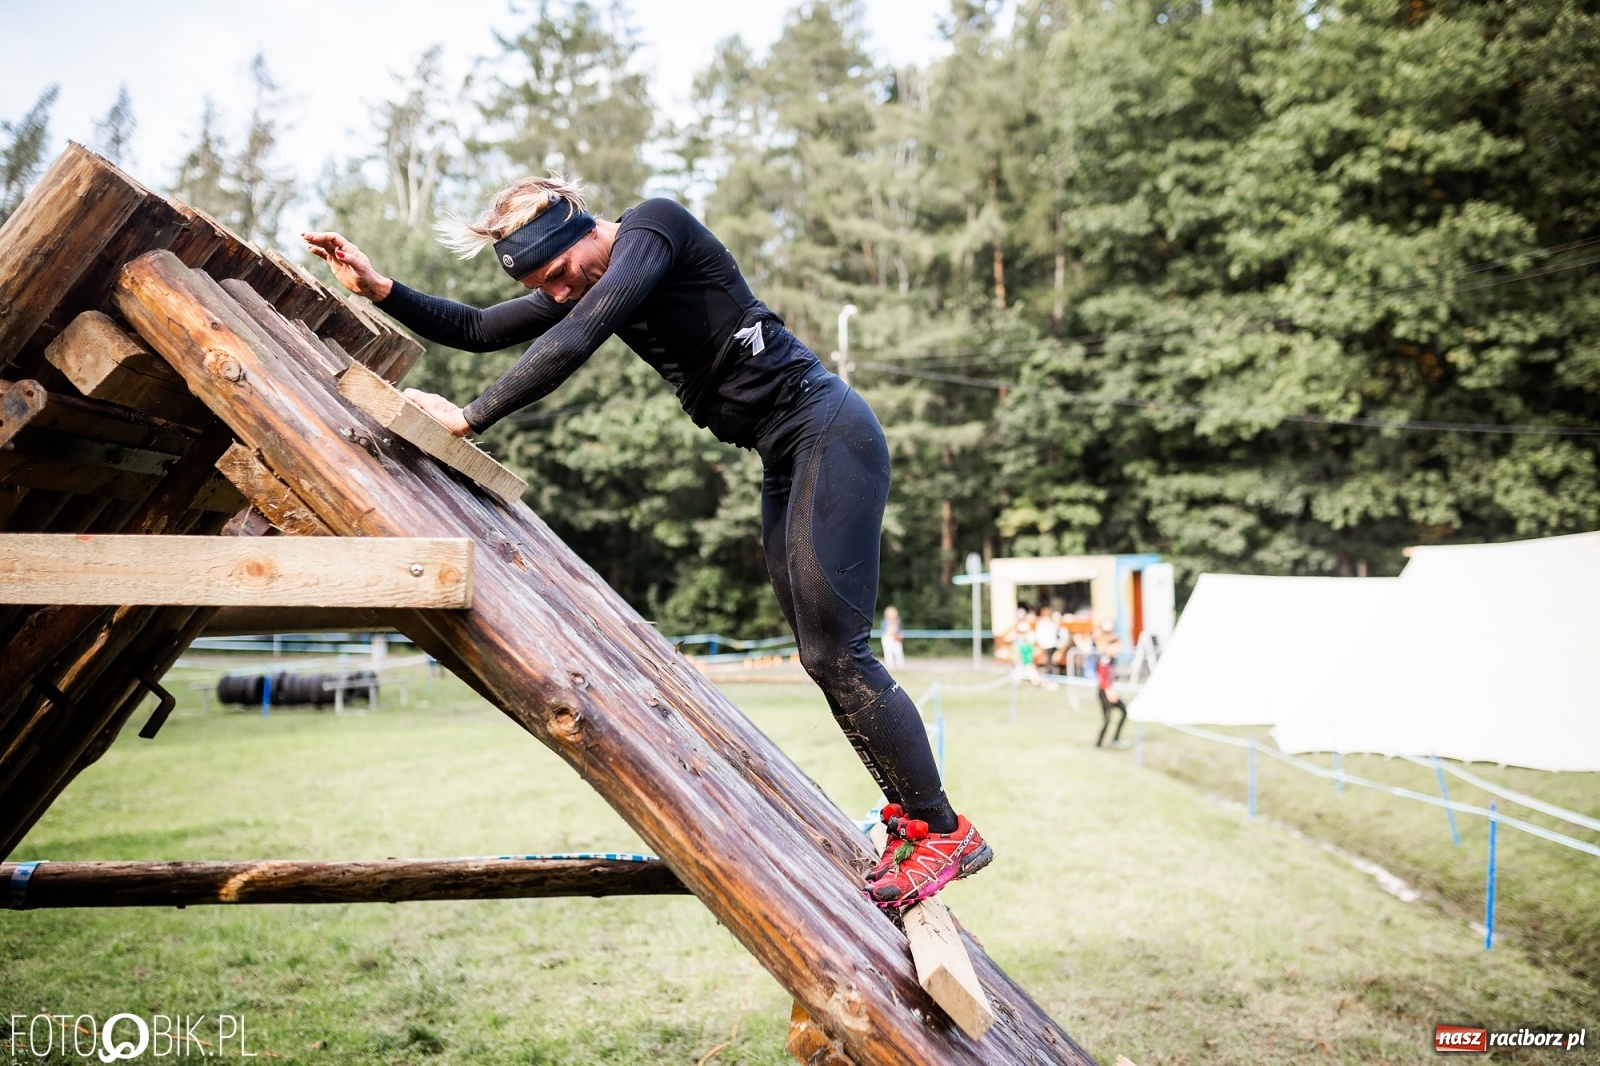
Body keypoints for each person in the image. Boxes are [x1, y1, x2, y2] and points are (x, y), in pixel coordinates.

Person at [301, 176, 990, 909]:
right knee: (822, 656)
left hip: (827, 429)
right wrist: (380, 288)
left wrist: (471, 416)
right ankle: (915, 824)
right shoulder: (589, 278)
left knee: (837, 651)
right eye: (544, 287)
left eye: (560, 273)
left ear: (583, 228)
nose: (560, 292)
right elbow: (477, 328)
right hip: (785, 454)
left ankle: (944, 831)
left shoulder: (654, 229)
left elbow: (575, 337)